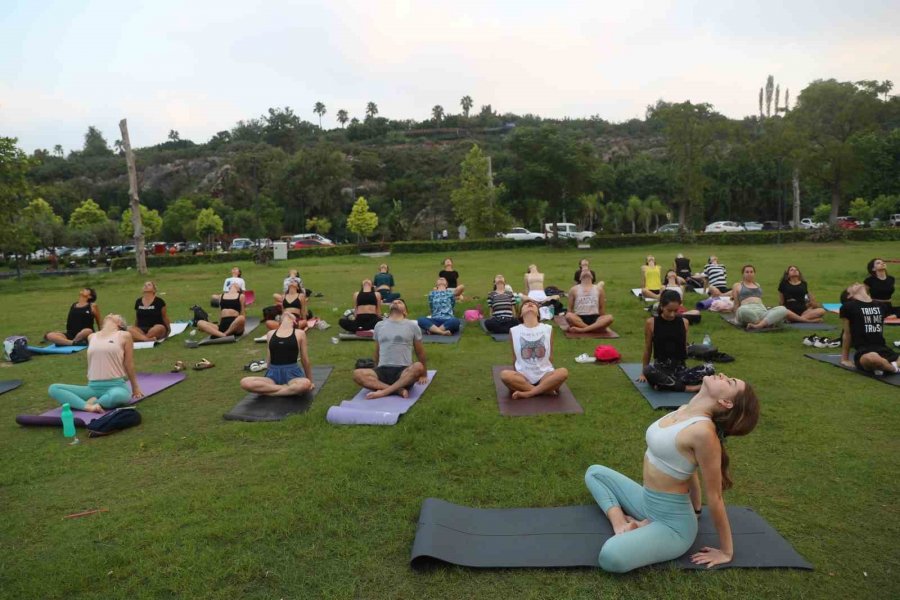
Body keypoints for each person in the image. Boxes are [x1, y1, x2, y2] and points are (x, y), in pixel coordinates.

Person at [584, 373, 759, 572]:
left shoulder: (704, 433)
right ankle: (621, 524)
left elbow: (716, 497)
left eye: (730, 382)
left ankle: (641, 527)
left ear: (726, 402)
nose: (723, 375)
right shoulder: (684, 410)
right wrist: (696, 508)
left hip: (673, 524)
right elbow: (687, 466)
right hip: (647, 501)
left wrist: (726, 552)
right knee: (595, 473)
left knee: (610, 557)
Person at [48, 314, 143, 413]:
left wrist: (135, 388)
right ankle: (89, 406)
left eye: (114, 315)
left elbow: (129, 363)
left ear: (119, 324)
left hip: (116, 385)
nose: (110, 314)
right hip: (93, 387)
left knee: (117, 396)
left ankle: (93, 402)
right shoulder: (91, 336)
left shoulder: (124, 335)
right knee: (54, 388)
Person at [639, 290, 714, 392]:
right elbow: (648, 348)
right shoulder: (651, 323)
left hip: (680, 370)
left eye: (676, 310)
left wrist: (692, 350)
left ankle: (666, 384)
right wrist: (643, 373)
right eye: (669, 310)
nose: (672, 314)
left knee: (710, 368)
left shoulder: (684, 322)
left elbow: (684, 347)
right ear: (661, 306)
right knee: (648, 370)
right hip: (661, 369)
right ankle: (687, 387)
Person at [353, 299, 428, 399]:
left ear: (405, 311)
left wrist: (424, 374)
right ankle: (397, 390)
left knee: (418, 366)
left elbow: (420, 352)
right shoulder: (379, 326)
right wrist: (375, 369)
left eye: (400, 303)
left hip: (403, 372)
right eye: (394, 302)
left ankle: (383, 392)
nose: (396, 303)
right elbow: (377, 351)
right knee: (357, 374)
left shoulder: (412, 326)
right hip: (382, 371)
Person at [500, 298, 569, 399]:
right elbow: (515, 357)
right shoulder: (514, 330)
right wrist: (517, 378)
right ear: (520, 314)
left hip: (545, 375)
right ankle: (544, 390)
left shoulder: (548, 329)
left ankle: (529, 393)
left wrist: (551, 376)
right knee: (505, 375)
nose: (529, 304)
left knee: (563, 372)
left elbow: (550, 355)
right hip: (524, 376)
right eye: (526, 304)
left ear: (538, 313)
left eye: (533, 304)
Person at [240, 312, 314, 397]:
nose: (286, 314)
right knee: (245, 382)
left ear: (294, 321)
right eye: (284, 315)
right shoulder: (270, 334)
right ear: (280, 321)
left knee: (305, 384)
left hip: (293, 375)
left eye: (289, 316)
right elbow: (269, 359)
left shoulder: (299, 333)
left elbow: (305, 359)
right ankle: (285, 390)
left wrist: (310, 382)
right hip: (273, 375)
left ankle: (270, 391)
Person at [839, 283, 899, 374]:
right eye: (851, 286)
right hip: (864, 351)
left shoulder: (880, 306)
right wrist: (845, 359)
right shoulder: (848, 307)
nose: (856, 283)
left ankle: (885, 366)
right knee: (871, 358)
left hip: (883, 349)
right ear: (850, 296)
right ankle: (894, 368)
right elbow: (847, 334)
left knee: (878, 359)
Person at [731, 265, 788, 330]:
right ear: (743, 274)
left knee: (783, 309)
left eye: (751, 272)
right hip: (747, 309)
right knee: (741, 310)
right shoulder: (737, 285)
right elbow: (736, 304)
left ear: (754, 273)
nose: (749, 274)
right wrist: (736, 316)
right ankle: (765, 323)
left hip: (761, 310)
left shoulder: (757, 285)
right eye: (747, 272)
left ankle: (759, 325)